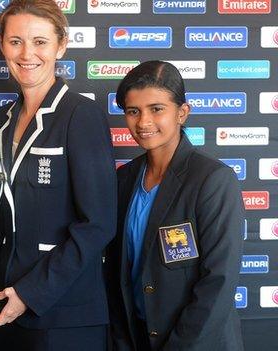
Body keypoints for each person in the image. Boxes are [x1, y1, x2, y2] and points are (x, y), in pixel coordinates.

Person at [0, 0, 117, 349]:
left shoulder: (80, 115)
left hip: (65, 315)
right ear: (2, 45)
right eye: (15, 41)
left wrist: (30, 292)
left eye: (40, 41)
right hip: (6, 307)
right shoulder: (1, 121)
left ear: (61, 45)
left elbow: (98, 223)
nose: (27, 53)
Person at [105, 60, 244, 350]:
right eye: (133, 111)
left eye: (156, 109)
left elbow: (217, 282)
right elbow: (118, 275)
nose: (143, 122)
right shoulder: (124, 179)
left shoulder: (212, 179)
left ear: (182, 113)